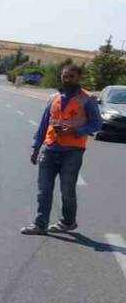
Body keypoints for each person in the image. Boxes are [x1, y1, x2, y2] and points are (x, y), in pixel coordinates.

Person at [21, 64, 103, 235]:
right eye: (65, 76)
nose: (67, 79)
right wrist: (36, 147)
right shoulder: (54, 97)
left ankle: (67, 221)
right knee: (44, 189)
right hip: (50, 148)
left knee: (67, 190)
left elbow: (97, 123)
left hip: (72, 150)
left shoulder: (87, 99)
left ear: (78, 77)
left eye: (71, 76)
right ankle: (40, 224)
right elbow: (44, 123)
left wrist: (76, 131)